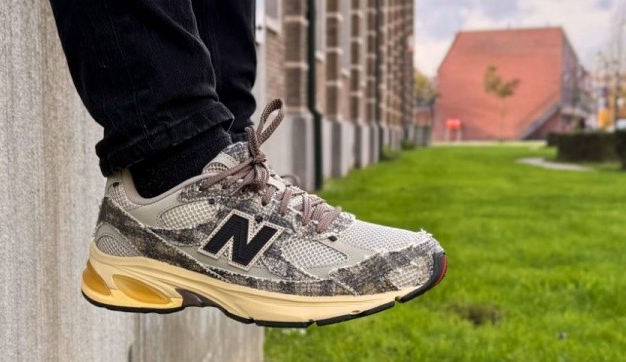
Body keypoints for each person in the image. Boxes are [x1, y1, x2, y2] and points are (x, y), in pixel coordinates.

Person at [50, 0, 447, 327]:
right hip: (162, 142)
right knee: (183, 144)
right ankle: (179, 165)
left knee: (228, 121)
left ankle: (219, 155)